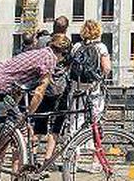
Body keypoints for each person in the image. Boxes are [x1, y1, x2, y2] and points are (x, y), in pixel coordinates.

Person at [32, 33, 72, 161]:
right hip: (61, 92)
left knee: (38, 126)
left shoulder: (43, 47)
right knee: (56, 128)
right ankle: (48, 158)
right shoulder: (67, 54)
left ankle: (33, 156)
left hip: (45, 91)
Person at [68, 20, 111, 132]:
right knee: (94, 115)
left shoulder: (77, 46)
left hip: (77, 86)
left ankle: (75, 144)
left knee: (76, 115)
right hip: (93, 86)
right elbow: (106, 68)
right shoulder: (101, 47)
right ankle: (90, 143)